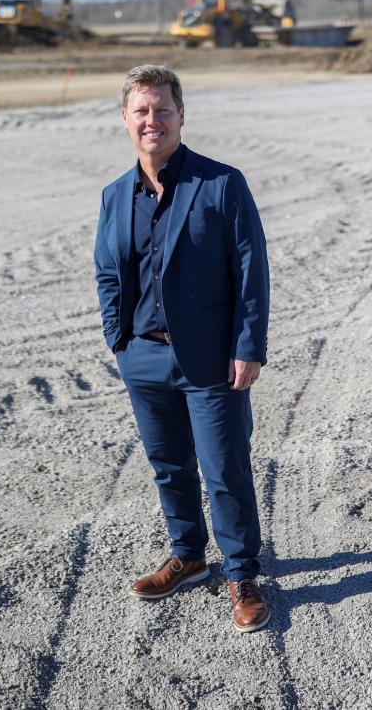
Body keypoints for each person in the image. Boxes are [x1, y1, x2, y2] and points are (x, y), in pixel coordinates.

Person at [94, 63, 271, 633]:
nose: (153, 121)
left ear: (181, 116)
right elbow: (107, 272)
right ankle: (188, 556)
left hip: (211, 360)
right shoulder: (115, 196)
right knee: (169, 466)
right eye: (142, 111)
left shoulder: (221, 184)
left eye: (162, 110)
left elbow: (251, 272)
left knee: (224, 468)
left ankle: (241, 574)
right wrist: (118, 340)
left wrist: (249, 346)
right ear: (126, 119)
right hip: (142, 358)